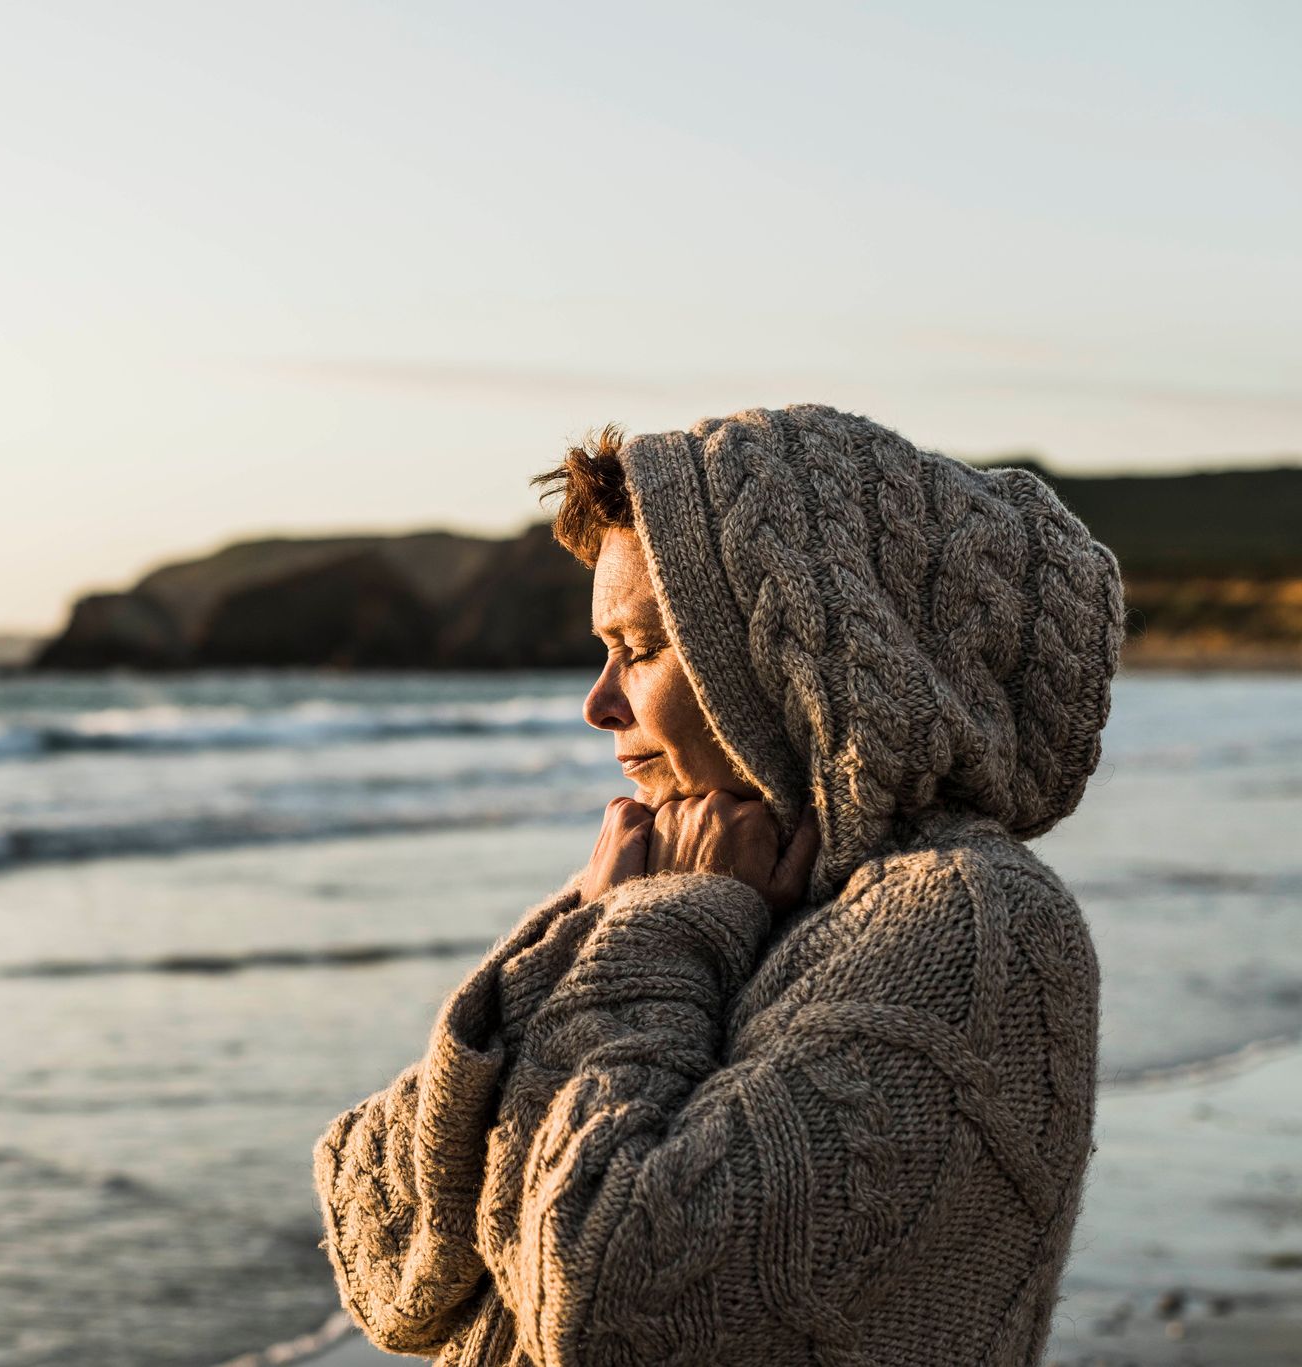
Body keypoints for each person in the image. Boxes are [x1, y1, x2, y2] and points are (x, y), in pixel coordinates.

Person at [311, 403, 1124, 1366]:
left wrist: (648, 926)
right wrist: (598, 924)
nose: (598, 702)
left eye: (641, 647)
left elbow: (611, 1311)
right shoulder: (698, 880)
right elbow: (379, 1253)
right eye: (602, 651)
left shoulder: (976, 924)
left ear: (792, 665)